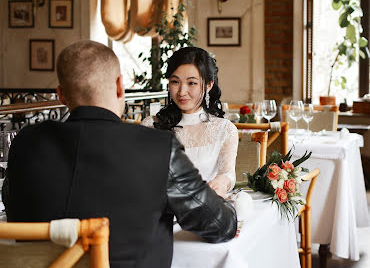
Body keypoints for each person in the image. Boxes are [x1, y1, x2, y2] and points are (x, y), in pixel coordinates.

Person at [2, 41, 237, 268]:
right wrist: (233, 206)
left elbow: (13, 216)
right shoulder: (156, 146)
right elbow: (219, 226)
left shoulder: (24, 142)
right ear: (119, 86)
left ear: (61, 95)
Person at [141, 47, 238, 198]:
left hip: (203, 210)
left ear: (208, 85)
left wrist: (222, 181)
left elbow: (228, 173)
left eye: (191, 83)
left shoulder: (224, 129)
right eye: (175, 82)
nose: (181, 91)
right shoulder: (150, 126)